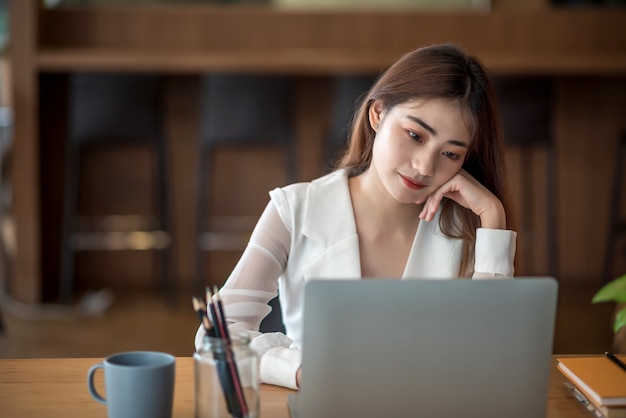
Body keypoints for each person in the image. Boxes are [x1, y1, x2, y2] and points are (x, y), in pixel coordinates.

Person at [195, 43, 517, 390]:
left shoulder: (467, 228)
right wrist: (300, 370)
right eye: (414, 135)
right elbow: (218, 336)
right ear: (377, 113)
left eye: (450, 153)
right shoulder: (296, 209)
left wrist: (493, 217)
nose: (424, 166)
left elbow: (492, 356)